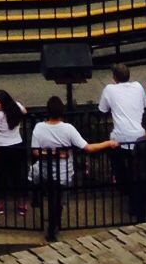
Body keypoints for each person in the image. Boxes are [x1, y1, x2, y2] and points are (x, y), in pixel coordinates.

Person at [28, 94, 118, 243]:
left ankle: (50, 222)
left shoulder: (39, 128)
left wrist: (51, 154)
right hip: (63, 173)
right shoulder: (68, 129)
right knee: (59, 201)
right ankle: (54, 225)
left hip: (46, 171)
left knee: (51, 197)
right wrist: (108, 143)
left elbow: (35, 152)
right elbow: (88, 147)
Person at [98, 62, 146, 201]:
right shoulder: (138, 86)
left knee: (114, 153)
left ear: (114, 77)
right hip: (139, 135)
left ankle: (122, 183)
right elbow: (144, 104)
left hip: (120, 137)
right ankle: (132, 191)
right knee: (136, 167)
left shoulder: (109, 89)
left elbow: (102, 109)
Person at [0, 89, 29, 216]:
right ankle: (21, 203)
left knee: (0, 175)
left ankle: (0, 203)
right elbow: (24, 110)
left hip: (1, 147)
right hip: (16, 145)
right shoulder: (16, 108)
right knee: (18, 174)